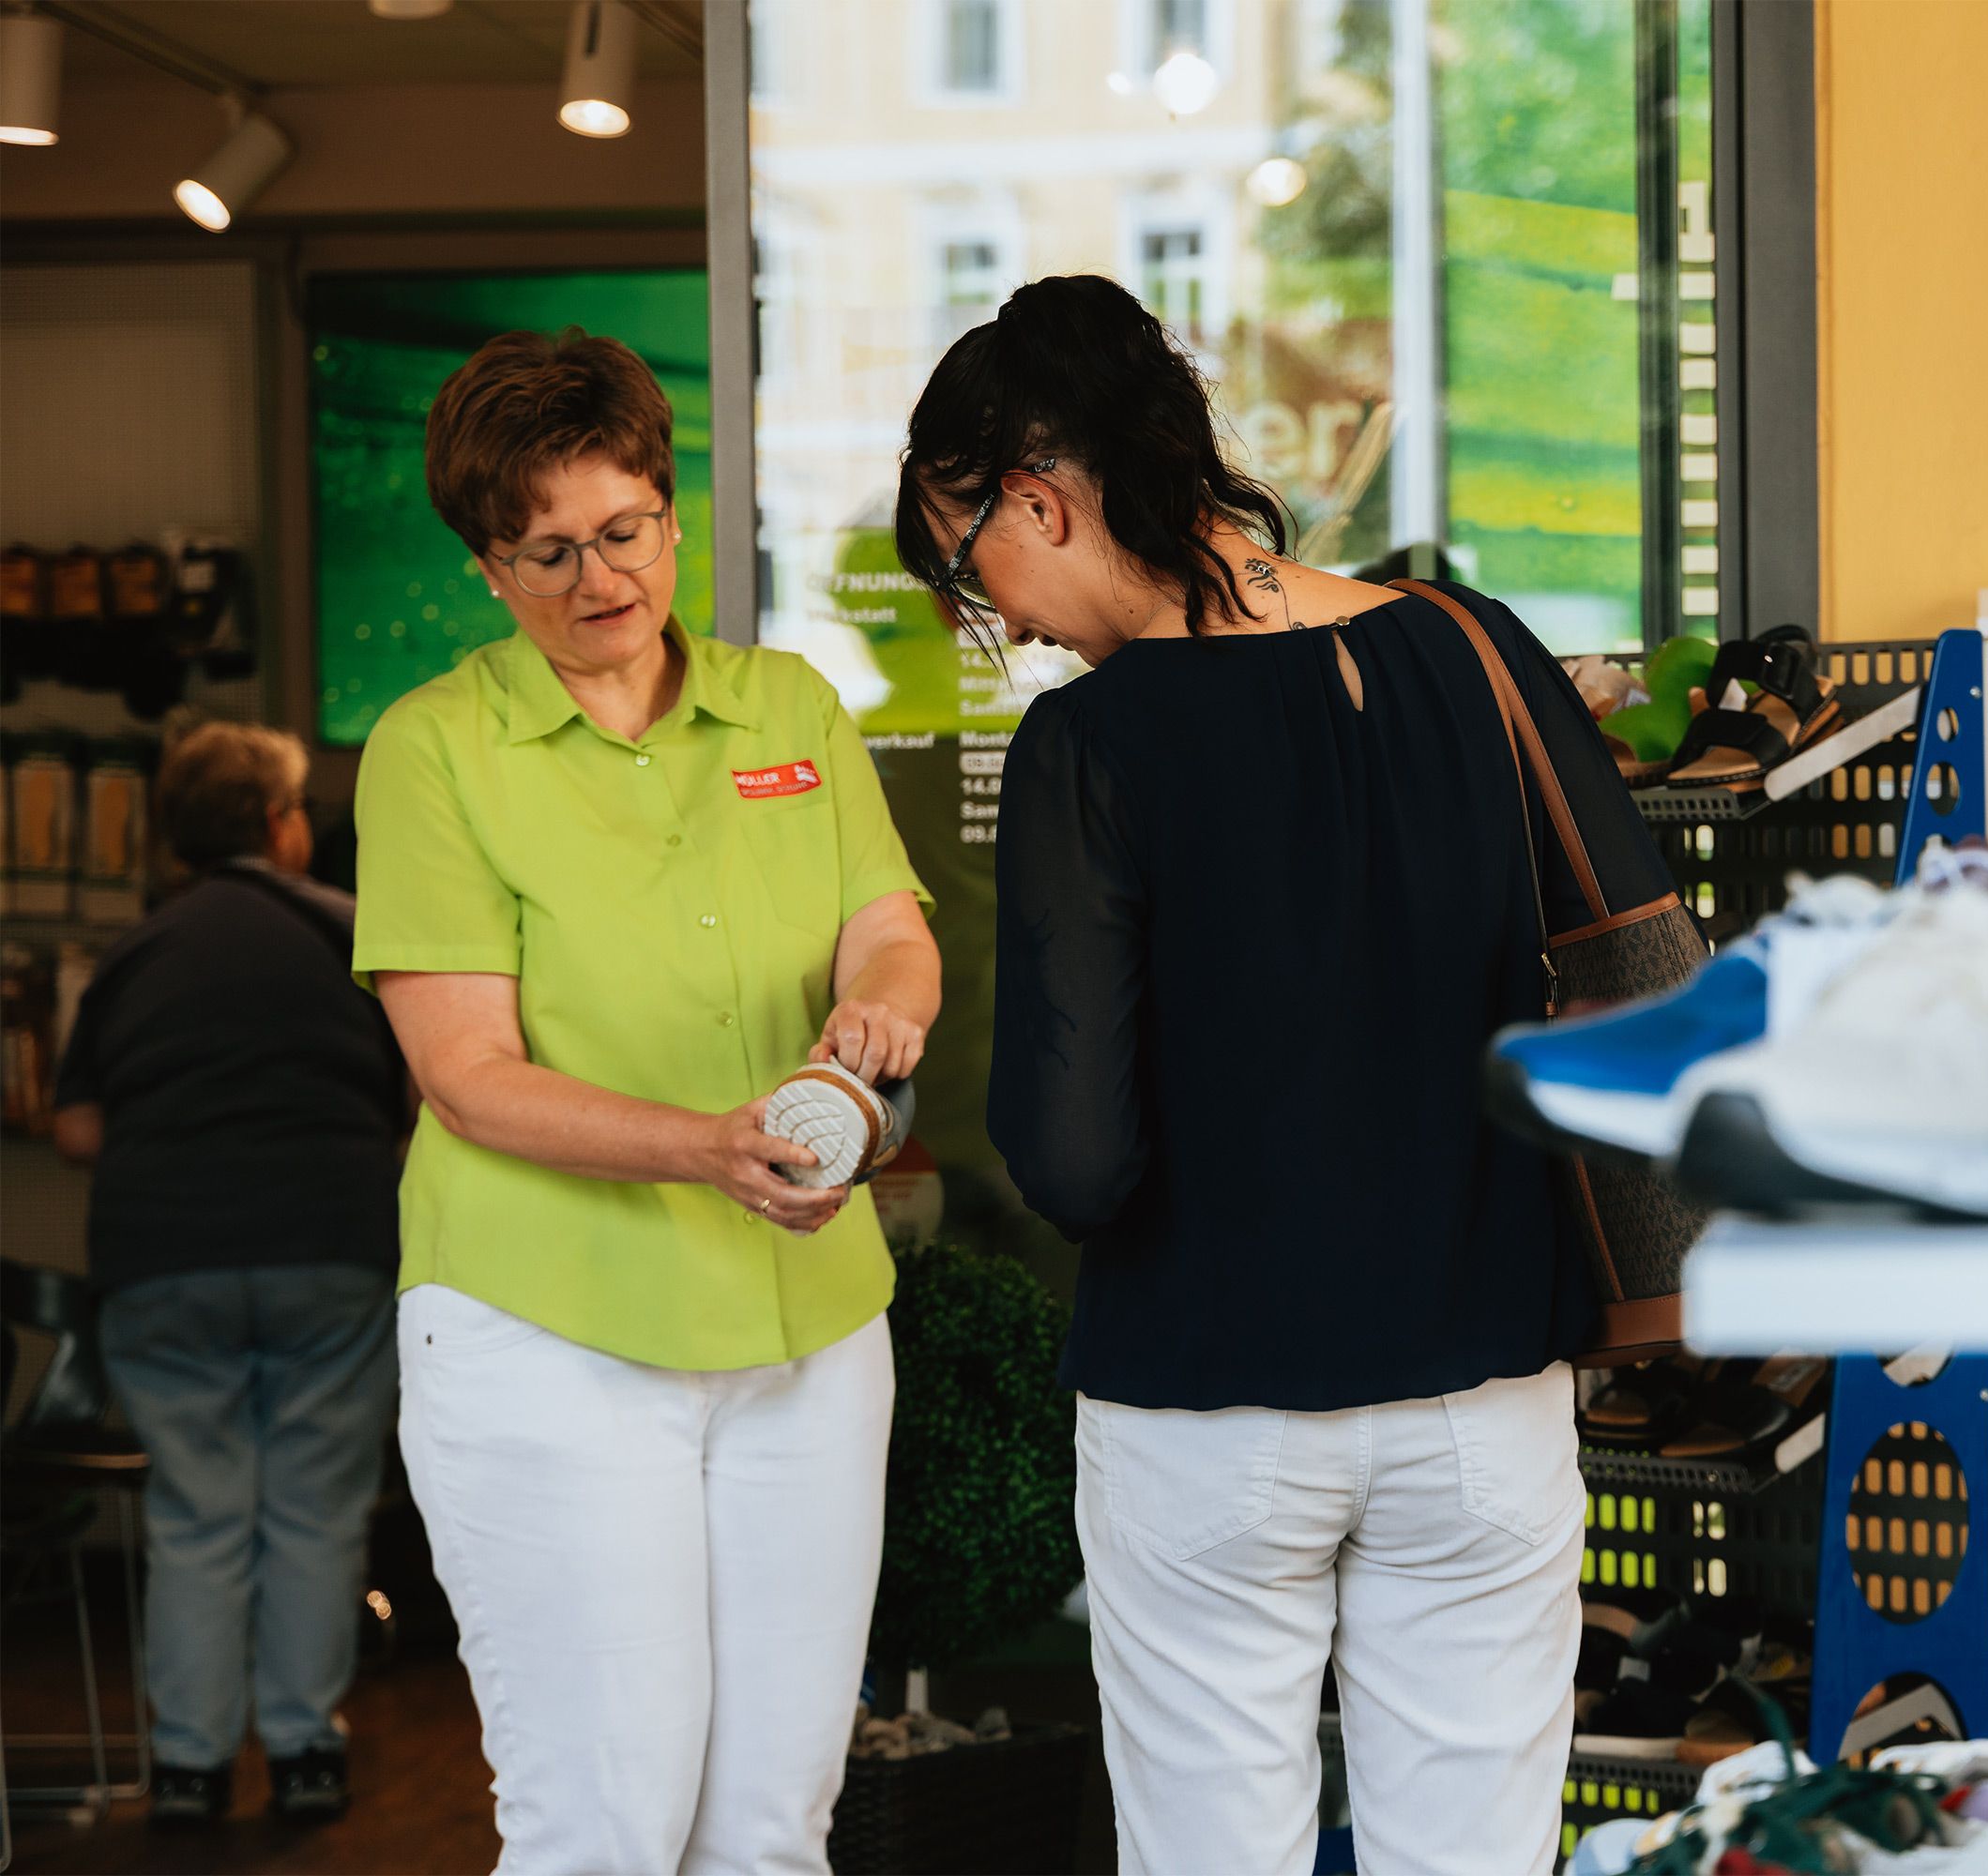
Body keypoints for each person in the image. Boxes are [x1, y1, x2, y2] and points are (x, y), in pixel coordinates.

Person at [895, 275, 1678, 1875]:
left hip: (1208, 1409)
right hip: (1482, 1398)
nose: (1004, 623)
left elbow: (1076, 1158)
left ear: (1039, 499)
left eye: (971, 571)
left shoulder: (1088, 747)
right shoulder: (1471, 648)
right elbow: (1634, 980)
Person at [352, 327, 940, 1875]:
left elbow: (889, 925)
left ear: (673, 514)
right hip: (549, 1329)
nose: (598, 579)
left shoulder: (791, 709)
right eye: (546, 552)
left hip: (810, 1328)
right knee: (604, 1827)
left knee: (770, 1828)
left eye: (623, 531)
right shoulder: (435, 750)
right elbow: (466, 1078)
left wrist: (887, 999)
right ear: (488, 567)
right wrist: (708, 1148)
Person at [53, 721, 406, 1828]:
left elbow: (76, 1127)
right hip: (329, 1247)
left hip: (164, 1260)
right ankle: (304, 1752)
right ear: (278, 824)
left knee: (197, 1511)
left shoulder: (134, 952)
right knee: (315, 1507)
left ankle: (190, 1768)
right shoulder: (352, 934)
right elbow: (425, 1099)